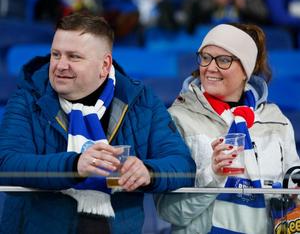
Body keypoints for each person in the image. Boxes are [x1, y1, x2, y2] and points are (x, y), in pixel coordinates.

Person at [0, 12, 196, 234]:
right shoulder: (28, 98)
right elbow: (7, 164)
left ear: (104, 65)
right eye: (56, 54)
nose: (60, 65)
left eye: (74, 57)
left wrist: (148, 172)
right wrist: (74, 166)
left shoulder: (141, 101)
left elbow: (183, 165)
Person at [156, 23, 300, 233]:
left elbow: (293, 182)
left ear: (246, 71)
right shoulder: (178, 119)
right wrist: (212, 175)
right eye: (206, 57)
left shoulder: (276, 120)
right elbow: (170, 211)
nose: (210, 67)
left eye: (224, 60)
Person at [182, 0, 269, 33]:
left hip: (239, 37)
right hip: (208, 36)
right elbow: (188, 14)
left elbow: (263, 14)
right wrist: (213, 3)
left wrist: (244, 6)